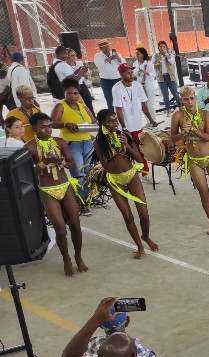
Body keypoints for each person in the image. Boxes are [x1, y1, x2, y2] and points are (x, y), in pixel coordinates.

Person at [90, 109, 158, 259]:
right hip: (115, 180)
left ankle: (146, 236)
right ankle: (139, 246)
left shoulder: (124, 135)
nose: (115, 123)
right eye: (111, 121)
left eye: (116, 120)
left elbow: (139, 159)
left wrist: (126, 145)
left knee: (144, 213)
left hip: (131, 175)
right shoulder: (98, 142)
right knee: (127, 216)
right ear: (103, 123)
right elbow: (106, 166)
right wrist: (117, 151)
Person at [26, 113, 87, 276]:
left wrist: (60, 161)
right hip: (47, 190)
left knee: (75, 226)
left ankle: (78, 257)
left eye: (50, 126)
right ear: (34, 129)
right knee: (60, 230)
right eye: (43, 127)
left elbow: (72, 164)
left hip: (65, 186)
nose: (48, 130)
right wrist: (44, 162)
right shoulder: (30, 147)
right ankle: (66, 259)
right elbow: (30, 172)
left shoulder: (59, 142)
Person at [169, 86, 209, 235]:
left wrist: (194, 130)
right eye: (185, 99)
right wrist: (183, 133)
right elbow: (172, 138)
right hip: (194, 159)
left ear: (196, 98)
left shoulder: (205, 114)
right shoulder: (177, 116)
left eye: (192, 98)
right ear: (181, 101)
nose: (189, 102)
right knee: (204, 193)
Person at [50, 78, 96, 189]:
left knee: (89, 172)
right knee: (78, 175)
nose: (73, 96)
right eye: (69, 93)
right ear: (64, 93)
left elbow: (94, 121)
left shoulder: (83, 107)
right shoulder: (60, 106)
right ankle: (80, 198)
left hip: (87, 143)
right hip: (72, 144)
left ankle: (88, 196)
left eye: (75, 93)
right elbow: (52, 123)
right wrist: (65, 124)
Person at [112, 64, 157, 173]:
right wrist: (124, 128)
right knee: (127, 152)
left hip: (137, 126)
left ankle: (145, 174)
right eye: (128, 73)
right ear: (121, 74)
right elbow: (118, 110)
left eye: (131, 72)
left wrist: (150, 119)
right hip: (125, 128)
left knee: (142, 151)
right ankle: (130, 174)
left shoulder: (137, 85)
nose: (131, 74)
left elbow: (143, 104)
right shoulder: (117, 88)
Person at [94, 41, 125, 107]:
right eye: (105, 47)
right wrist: (110, 58)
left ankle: (122, 112)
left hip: (118, 80)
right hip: (106, 82)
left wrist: (117, 57)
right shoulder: (97, 56)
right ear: (101, 48)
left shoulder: (116, 53)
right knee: (110, 100)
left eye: (108, 46)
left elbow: (123, 63)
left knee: (122, 98)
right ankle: (112, 113)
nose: (107, 48)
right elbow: (99, 65)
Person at [153, 41, 181, 112]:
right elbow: (151, 65)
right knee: (165, 94)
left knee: (175, 93)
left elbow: (172, 62)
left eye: (164, 46)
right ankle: (168, 110)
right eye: (160, 46)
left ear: (166, 47)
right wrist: (156, 65)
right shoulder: (155, 55)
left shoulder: (170, 54)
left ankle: (180, 107)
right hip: (161, 77)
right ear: (158, 48)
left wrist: (166, 54)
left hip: (170, 76)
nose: (162, 48)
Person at [132, 47, 158, 120]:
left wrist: (146, 72)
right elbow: (134, 75)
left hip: (149, 86)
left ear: (143, 54)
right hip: (140, 86)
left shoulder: (149, 63)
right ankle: (149, 121)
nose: (136, 55)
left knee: (149, 104)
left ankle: (154, 121)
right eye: (136, 53)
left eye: (138, 53)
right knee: (144, 105)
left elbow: (154, 74)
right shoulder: (135, 63)